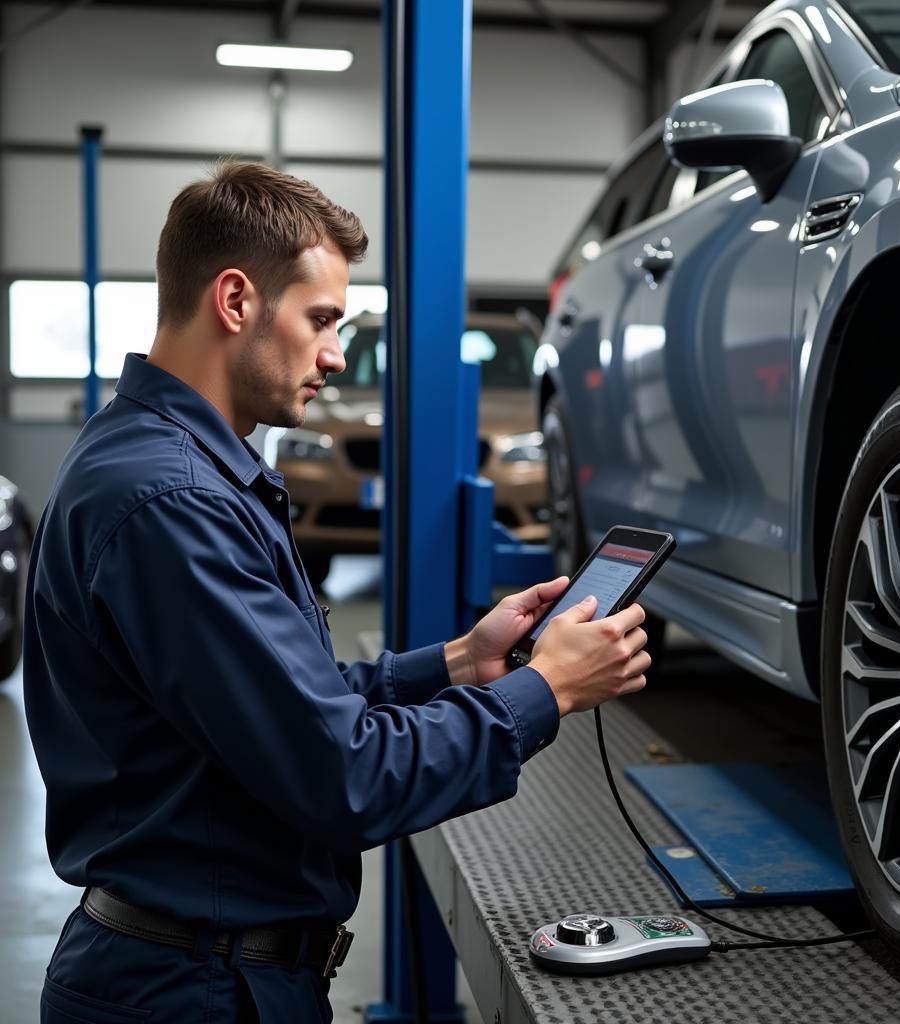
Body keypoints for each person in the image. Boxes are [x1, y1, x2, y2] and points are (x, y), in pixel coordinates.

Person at [23, 162, 650, 1023]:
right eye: (322, 319)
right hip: (194, 993)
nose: (337, 354)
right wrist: (543, 692)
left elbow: (276, 702)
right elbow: (341, 773)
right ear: (236, 301)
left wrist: (461, 662)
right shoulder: (173, 502)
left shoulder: (162, 464)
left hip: (197, 971)